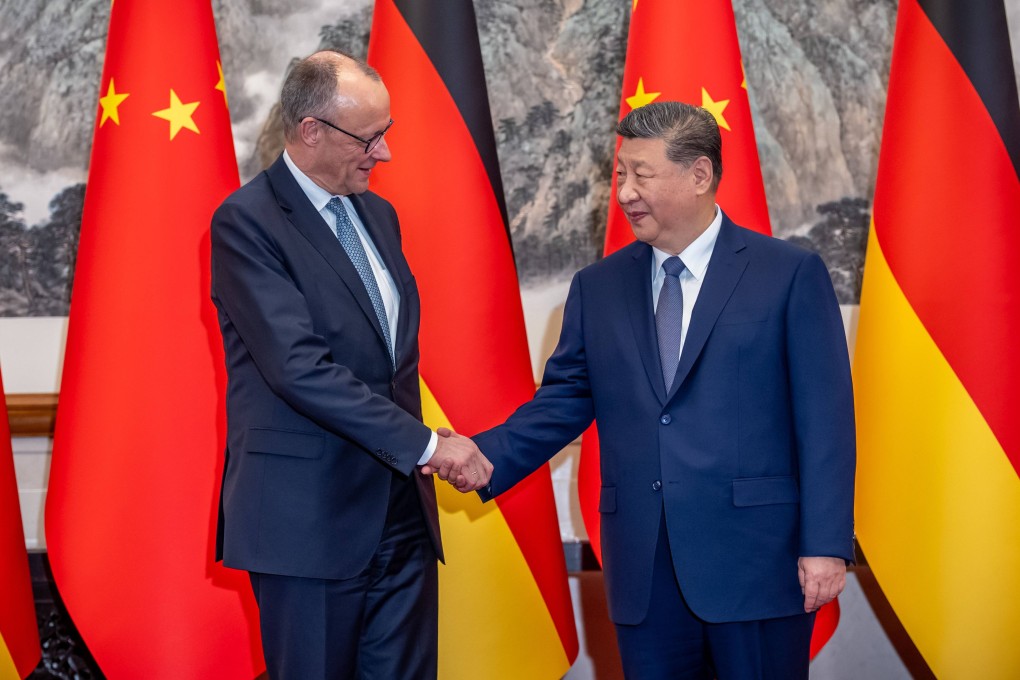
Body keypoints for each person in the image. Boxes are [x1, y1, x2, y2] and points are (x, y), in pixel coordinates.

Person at [457, 101, 856, 678]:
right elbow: (563, 402)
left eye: (641, 174)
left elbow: (826, 421)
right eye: (620, 174)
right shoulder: (598, 287)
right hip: (643, 569)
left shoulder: (788, 274)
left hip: (755, 563)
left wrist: (825, 544)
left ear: (699, 175)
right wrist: (482, 457)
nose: (624, 192)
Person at [210, 50, 491, 680]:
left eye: (385, 134)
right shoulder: (247, 223)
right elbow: (298, 367)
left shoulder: (379, 216)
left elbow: (387, 364)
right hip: (308, 523)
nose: (383, 153)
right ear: (311, 130)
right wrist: (426, 446)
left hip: (399, 516)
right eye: (369, 138)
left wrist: (421, 446)